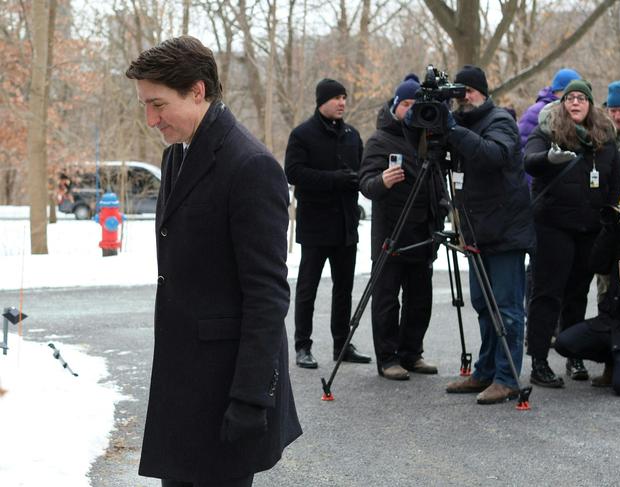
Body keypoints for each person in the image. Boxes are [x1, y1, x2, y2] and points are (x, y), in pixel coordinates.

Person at [125, 36, 301, 487]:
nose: (150, 119)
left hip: (226, 389)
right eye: (145, 105)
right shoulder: (177, 154)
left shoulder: (250, 166)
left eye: (158, 104)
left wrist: (250, 397)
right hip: (185, 381)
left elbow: (267, 295)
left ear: (198, 91)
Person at [444, 65, 535, 404]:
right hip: (476, 229)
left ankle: (507, 377)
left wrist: (453, 129)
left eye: (469, 90)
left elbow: (493, 156)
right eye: (459, 92)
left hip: (505, 230)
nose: (464, 97)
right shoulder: (458, 125)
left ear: (482, 92)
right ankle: (485, 371)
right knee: (483, 305)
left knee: (507, 308)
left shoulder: (501, 120)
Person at [524, 79, 620, 388]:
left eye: (582, 98)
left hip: (589, 230)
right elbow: (530, 161)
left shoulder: (604, 141)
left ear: (591, 105)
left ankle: (573, 355)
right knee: (547, 293)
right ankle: (539, 360)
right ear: (563, 104)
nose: (575, 103)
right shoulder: (548, 132)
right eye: (570, 98)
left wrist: (609, 223)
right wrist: (548, 159)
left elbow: (614, 186)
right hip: (552, 227)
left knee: (578, 294)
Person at [359, 74, 444, 380]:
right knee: (386, 299)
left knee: (420, 299)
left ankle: (412, 353)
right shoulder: (380, 140)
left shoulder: (429, 139)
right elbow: (366, 183)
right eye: (406, 103)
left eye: (415, 104)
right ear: (395, 106)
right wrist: (381, 181)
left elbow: (437, 181)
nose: (410, 110)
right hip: (391, 234)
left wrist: (442, 209)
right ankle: (388, 358)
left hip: (423, 233)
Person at [284, 78, 371, 369]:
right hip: (315, 225)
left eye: (344, 97)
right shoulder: (302, 135)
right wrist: (334, 179)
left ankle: (342, 344)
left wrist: (357, 181)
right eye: (336, 97)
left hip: (346, 224)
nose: (342, 103)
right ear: (321, 101)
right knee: (307, 288)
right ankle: (302, 346)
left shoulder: (351, 134)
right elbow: (293, 173)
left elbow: (361, 171)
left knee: (343, 288)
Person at [555, 187, 620, 396]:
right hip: (612, 322)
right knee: (564, 343)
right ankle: (614, 358)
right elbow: (596, 264)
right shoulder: (619, 236)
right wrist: (609, 230)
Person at [518, 68, 581, 151]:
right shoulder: (536, 111)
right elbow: (523, 144)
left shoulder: (575, 111)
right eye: (571, 93)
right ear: (560, 90)